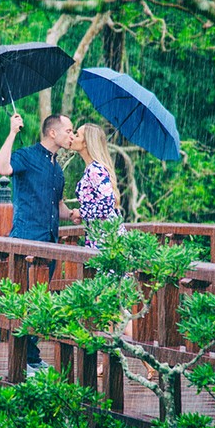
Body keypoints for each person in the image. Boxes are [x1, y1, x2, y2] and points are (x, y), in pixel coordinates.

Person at [0, 112, 81, 375]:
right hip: (27, 239)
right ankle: (26, 359)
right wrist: (12, 132)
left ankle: (31, 357)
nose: (72, 135)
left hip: (50, 241)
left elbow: (57, 205)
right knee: (27, 301)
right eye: (69, 131)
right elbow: (1, 168)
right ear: (52, 133)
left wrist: (72, 214)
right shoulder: (27, 155)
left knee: (39, 301)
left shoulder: (56, 166)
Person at [70, 123, 156, 380]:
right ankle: (117, 361)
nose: (73, 137)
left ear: (87, 142)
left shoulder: (96, 170)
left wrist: (81, 213)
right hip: (101, 241)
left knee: (112, 309)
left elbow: (108, 206)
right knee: (110, 309)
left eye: (78, 134)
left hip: (108, 244)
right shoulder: (91, 169)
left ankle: (149, 359)